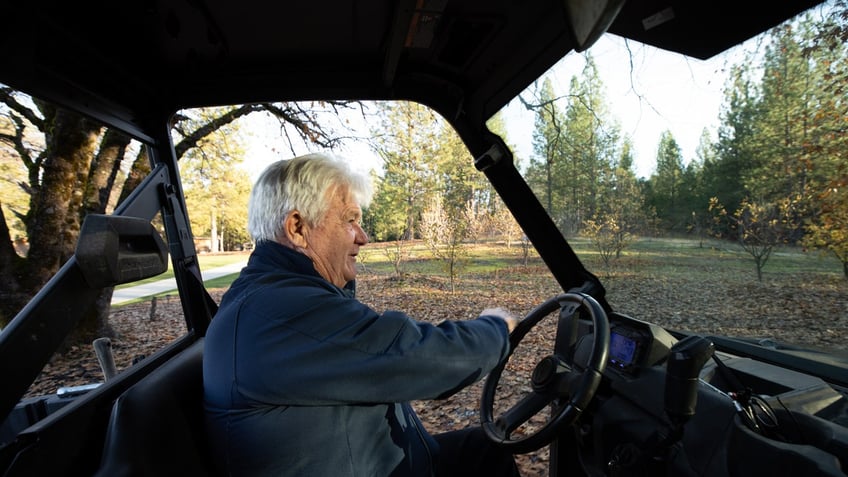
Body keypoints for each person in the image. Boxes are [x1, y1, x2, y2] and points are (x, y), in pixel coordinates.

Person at [203, 152, 521, 476]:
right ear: (297, 228)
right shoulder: (279, 312)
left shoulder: (274, 297)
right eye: (349, 220)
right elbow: (412, 356)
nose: (363, 237)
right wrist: (495, 328)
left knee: (487, 451)